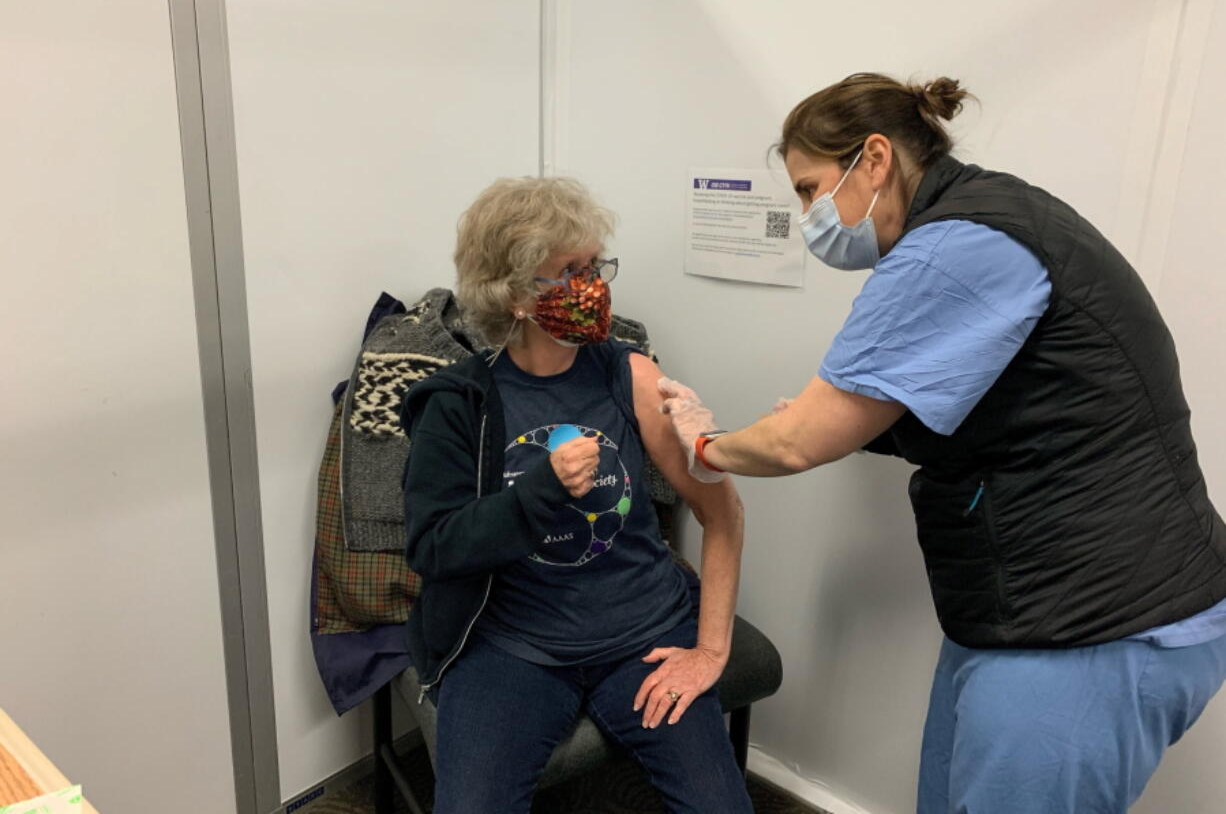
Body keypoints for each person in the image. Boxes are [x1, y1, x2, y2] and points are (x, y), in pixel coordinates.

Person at [658, 72, 1226, 814]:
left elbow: (798, 445)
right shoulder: (994, 214)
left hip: (1094, 623)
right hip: (1032, 610)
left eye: (808, 190)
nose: (806, 217)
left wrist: (705, 444)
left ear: (874, 160)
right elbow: (1002, 400)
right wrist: (844, 423)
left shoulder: (958, 245)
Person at [401, 176, 753, 814]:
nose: (592, 286)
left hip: (644, 635)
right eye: (568, 271)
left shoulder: (631, 373)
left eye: (595, 265)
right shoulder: (458, 402)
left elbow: (721, 514)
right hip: (513, 648)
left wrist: (709, 651)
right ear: (514, 296)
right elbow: (434, 547)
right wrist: (541, 490)